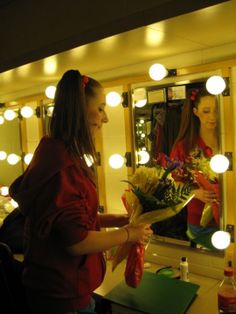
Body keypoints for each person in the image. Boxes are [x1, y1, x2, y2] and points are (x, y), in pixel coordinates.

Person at [9, 69, 153, 314]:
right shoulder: (64, 168)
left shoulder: (53, 153)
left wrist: (117, 220)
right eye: (100, 108)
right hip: (63, 297)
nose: (105, 118)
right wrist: (129, 234)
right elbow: (76, 242)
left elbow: (69, 224)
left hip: (54, 288)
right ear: (79, 111)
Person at [170, 87, 220, 247]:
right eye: (206, 111)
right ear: (196, 112)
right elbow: (172, 184)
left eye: (216, 110)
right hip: (201, 223)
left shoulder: (230, 142)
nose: (212, 117)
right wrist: (195, 193)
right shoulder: (184, 148)